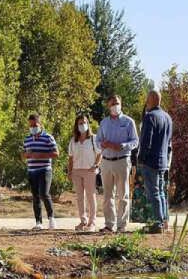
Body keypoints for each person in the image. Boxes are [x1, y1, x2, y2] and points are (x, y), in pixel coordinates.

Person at [97, 94, 138, 233]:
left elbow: (135, 141)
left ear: (121, 104)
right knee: (108, 196)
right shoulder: (103, 123)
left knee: (123, 195)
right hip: (106, 162)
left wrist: (122, 146)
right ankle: (109, 224)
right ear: (108, 106)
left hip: (122, 160)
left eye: (117, 103)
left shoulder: (128, 121)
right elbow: (97, 142)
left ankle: (122, 225)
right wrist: (102, 145)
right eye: (112, 103)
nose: (115, 105)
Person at [138, 90, 173, 232]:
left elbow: (147, 140)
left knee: (154, 192)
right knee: (161, 192)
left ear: (152, 99)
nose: (146, 102)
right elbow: (169, 141)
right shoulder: (168, 117)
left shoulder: (150, 117)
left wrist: (141, 158)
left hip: (151, 161)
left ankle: (158, 223)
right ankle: (164, 222)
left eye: (147, 98)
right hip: (163, 161)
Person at [22, 113, 59, 230]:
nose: (33, 128)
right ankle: (38, 222)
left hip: (45, 169)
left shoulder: (48, 137)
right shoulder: (27, 139)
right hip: (32, 170)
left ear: (40, 124)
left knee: (44, 193)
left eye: (35, 125)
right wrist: (25, 155)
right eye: (31, 126)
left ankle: (51, 218)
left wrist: (41, 155)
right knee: (35, 196)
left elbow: (56, 153)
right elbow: (22, 154)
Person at [67, 113, 101, 231]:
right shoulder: (73, 140)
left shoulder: (93, 138)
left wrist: (96, 165)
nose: (83, 125)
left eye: (85, 122)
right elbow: (70, 157)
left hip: (89, 171)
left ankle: (92, 223)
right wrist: (69, 171)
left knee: (91, 196)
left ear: (88, 124)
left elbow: (99, 153)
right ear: (76, 125)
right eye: (80, 123)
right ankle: (83, 221)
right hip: (76, 171)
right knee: (80, 197)